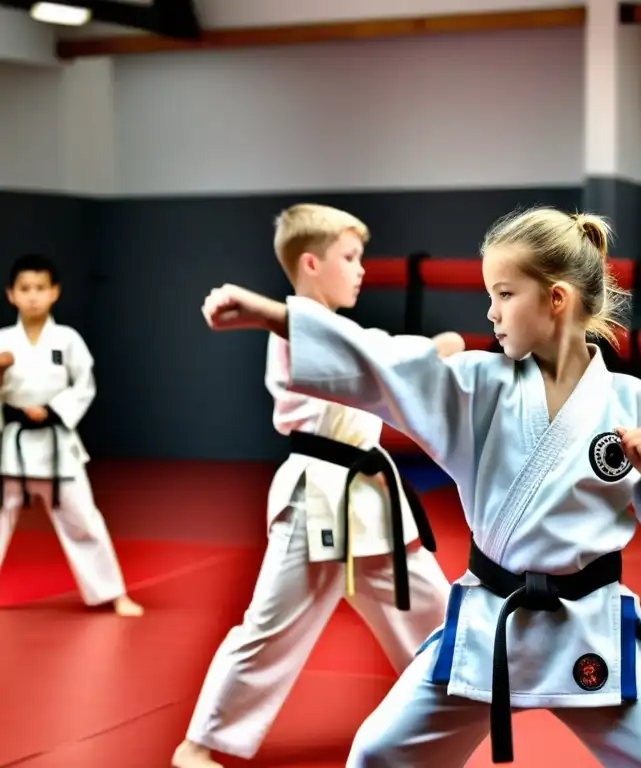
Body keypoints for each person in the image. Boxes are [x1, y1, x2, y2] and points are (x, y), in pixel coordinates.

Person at [200, 206, 641, 768]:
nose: (491, 312)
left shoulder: (633, 404)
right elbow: (384, 364)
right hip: (491, 621)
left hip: (588, 627)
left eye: (504, 294)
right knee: (378, 752)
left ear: (556, 300)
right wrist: (274, 316)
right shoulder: (479, 385)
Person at [173, 205, 457, 768]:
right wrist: (431, 349)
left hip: (372, 499)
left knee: (437, 616)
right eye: (349, 258)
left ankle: (454, 714)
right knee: (270, 629)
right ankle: (197, 745)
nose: (361, 271)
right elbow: (363, 355)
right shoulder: (295, 329)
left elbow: (379, 355)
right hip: (318, 498)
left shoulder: (339, 329)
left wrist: (428, 353)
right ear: (310, 262)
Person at [0, 253, 142, 617]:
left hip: (56, 442)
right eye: (25, 289)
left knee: (84, 519)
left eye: (40, 288)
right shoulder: (3, 340)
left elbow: (85, 385)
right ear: (10, 295)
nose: (33, 296)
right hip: (11, 444)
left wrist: (53, 411)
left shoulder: (67, 339)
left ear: (54, 292)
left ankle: (114, 593)